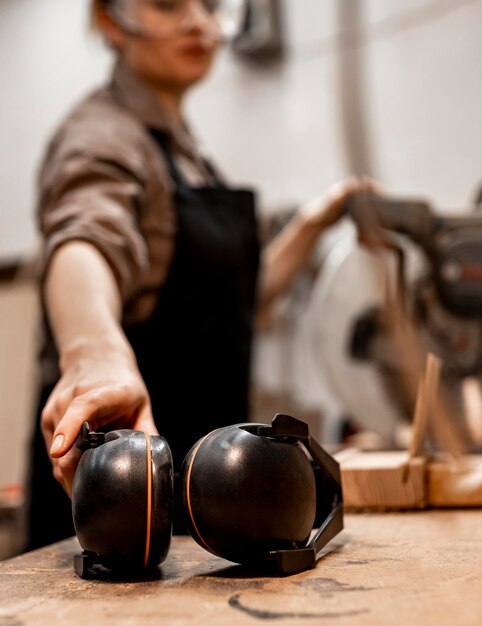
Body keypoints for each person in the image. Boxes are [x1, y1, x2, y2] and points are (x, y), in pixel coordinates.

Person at [25, 0, 372, 550]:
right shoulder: (100, 137)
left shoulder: (187, 152)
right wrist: (93, 355)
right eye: (166, 4)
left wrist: (315, 221)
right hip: (119, 521)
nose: (197, 21)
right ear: (111, 22)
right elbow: (85, 238)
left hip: (198, 509)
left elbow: (239, 304)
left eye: (210, 5)